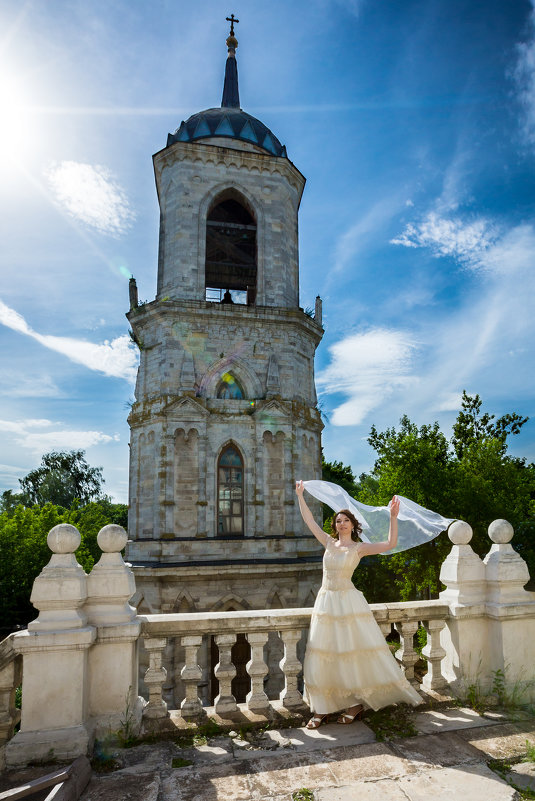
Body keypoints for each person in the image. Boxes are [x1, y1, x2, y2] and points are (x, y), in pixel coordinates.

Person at [295, 479, 422, 729]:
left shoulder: (359, 548)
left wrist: (393, 517)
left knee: (350, 654)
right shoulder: (328, 543)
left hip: (349, 604)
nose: (341, 523)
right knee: (323, 654)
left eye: (345, 520)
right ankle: (321, 708)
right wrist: (300, 495)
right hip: (326, 602)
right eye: (338, 521)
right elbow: (309, 520)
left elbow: (390, 545)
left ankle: (355, 704)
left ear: (353, 525)